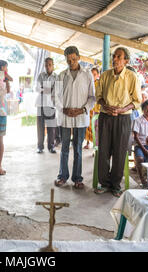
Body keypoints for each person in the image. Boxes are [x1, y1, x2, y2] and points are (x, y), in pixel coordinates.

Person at [94, 47, 141, 197]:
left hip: (123, 118)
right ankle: (104, 183)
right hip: (105, 117)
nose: (115, 59)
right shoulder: (105, 75)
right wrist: (106, 106)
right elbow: (99, 97)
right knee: (104, 150)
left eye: (119, 57)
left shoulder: (132, 77)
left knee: (120, 151)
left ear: (126, 61)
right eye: (114, 56)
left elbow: (137, 101)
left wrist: (121, 109)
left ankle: (115, 185)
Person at [54, 46, 95, 189]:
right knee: (64, 147)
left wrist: (83, 109)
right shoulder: (61, 75)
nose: (71, 62)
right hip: (65, 116)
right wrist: (63, 109)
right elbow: (55, 96)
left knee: (78, 148)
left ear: (78, 57)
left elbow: (92, 97)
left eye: (73, 59)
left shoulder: (87, 75)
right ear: (65, 59)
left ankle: (77, 178)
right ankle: (62, 176)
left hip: (81, 116)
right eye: (68, 59)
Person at [35, 58, 58, 154]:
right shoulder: (41, 75)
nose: (48, 67)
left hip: (51, 105)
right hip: (40, 104)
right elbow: (37, 88)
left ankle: (51, 146)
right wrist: (50, 89)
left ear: (53, 65)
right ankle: (40, 147)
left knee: (51, 127)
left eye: (49, 65)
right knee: (40, 127)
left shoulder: (56, 77)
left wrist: (44, 88)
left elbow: (56, 91)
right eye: (46, 65)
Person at [132, 99, 148, 188]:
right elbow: (136, 136)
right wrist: (144, 149)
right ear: (142, 110)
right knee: (140, 159)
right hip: (140, 145)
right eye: (146, 110)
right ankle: (142, 179)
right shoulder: (138, 120)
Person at [84, 67, 100, 150]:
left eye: (94, 74)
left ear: (98, 75)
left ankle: (95, 146)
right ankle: (87, 142)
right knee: (87, 127)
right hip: (88, 108)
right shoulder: (87, 83)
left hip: (96, 109)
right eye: (91, 74)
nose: (92, 76)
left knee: (95, 128)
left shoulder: (99, 84)